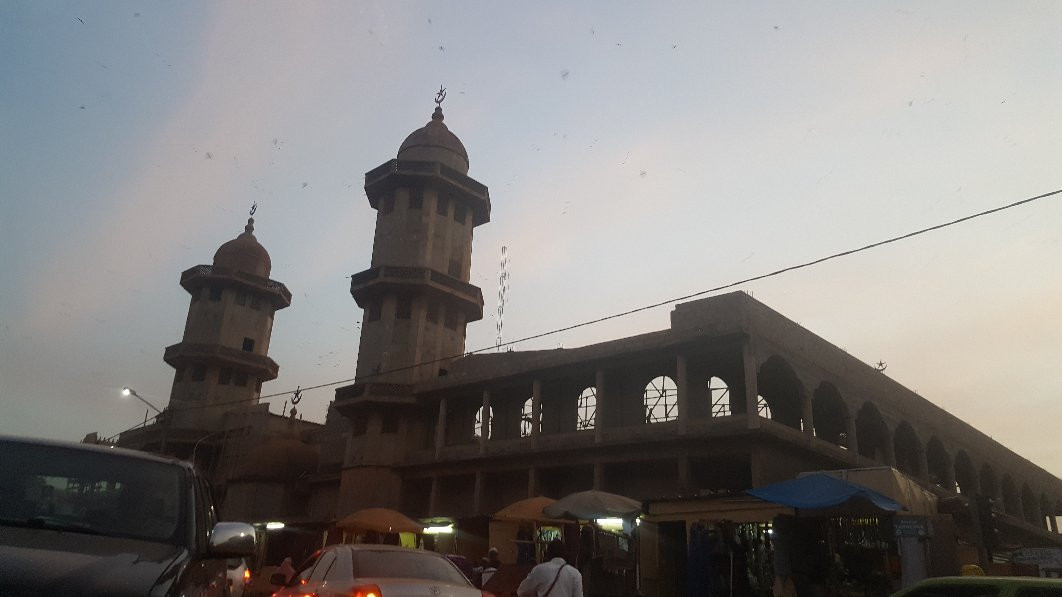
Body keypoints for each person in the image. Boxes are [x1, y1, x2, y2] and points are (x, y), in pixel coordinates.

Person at [517, 539, 582, 597]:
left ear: (548, 554)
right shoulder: (575, 573)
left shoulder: (539, 570)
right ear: (565, 554)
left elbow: (521, 591)